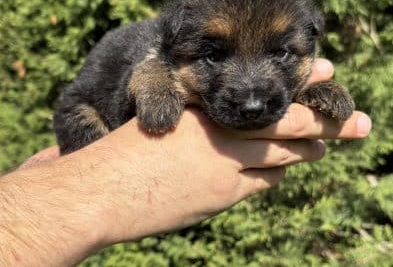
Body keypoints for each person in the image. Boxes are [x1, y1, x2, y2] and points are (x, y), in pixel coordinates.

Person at [0, 59, 371, 267]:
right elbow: (152, 71)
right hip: (94, 111)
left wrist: (304, 91)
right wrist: (100, 185)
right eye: (214, 56)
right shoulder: (161, 57)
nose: (252, 96)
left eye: (284, 54)